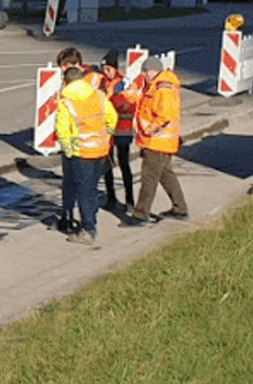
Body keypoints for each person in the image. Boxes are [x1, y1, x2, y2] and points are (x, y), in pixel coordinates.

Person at [55, 62, 117, 245]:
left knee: (84, 192)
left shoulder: (66, 103)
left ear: (66, 83)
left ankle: (88, 229)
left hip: (81, 154)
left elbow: (63, 132)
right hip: (100, 151)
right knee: (92, 190)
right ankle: (91, 222)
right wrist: (106, 136)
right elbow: (112, 117)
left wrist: (69, 151)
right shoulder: (98, 96)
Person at [127, 54, 190, 224]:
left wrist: (150, 129)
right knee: (165, 174)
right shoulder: (158, 85)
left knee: (149, 177)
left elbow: (165, 115)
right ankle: (180, 208)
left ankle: (140, 215)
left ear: (151, 71)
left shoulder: (162, 88)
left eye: (145, 73)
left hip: (157, 140)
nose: (143, 76)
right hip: (162, 141)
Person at [52, 46, 88, 233]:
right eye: (64, 65)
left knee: (82, 183)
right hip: (70, 142)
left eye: (70, 65)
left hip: (85, 142)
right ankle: (67, 215)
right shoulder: (61, 85)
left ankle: (85, 222)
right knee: (69, 181)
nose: (66, 69)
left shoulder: (87, 85)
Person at [101, 51, 140, 215]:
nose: (106, 72)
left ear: (116, 68)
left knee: (124, 165)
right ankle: (111, 198)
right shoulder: (102, 83)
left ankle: (130, 201)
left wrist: (110, 103)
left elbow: (129, 102)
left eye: (109, 68)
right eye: (104, 68)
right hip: (107, 131)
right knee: (107, 165)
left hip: (123, 130)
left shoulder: (125, 82)